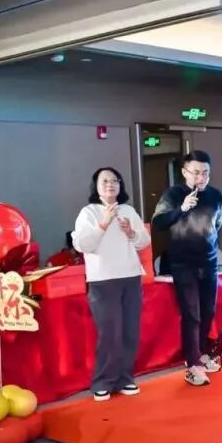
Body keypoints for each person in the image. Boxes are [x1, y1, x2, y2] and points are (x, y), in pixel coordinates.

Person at [73, 168, 151, 401]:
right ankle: (102, 382)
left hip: (130, 276)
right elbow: (82, 245)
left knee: (130, 331)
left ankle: (125, 379)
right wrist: (103, 224)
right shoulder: (89, 212)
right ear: (96, 186)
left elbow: (144, 241)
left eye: (115, 180)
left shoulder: (128, 210)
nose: (110, 184)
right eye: (105, 181)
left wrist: (131, 232)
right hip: (103, 280)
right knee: (110, 333)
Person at [152, 150, 222, 387]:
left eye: (205, 173)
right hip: (182, 262)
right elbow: (158, 222)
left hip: (209, 261)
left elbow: (217, 225)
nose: (201, 177)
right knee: (192, 314)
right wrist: (181, 209)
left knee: (208, 311)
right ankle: (192, 364)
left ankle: (201, 353)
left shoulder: (216, 195)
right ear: (184, 172)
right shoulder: (173, 194)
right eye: (196, 172)